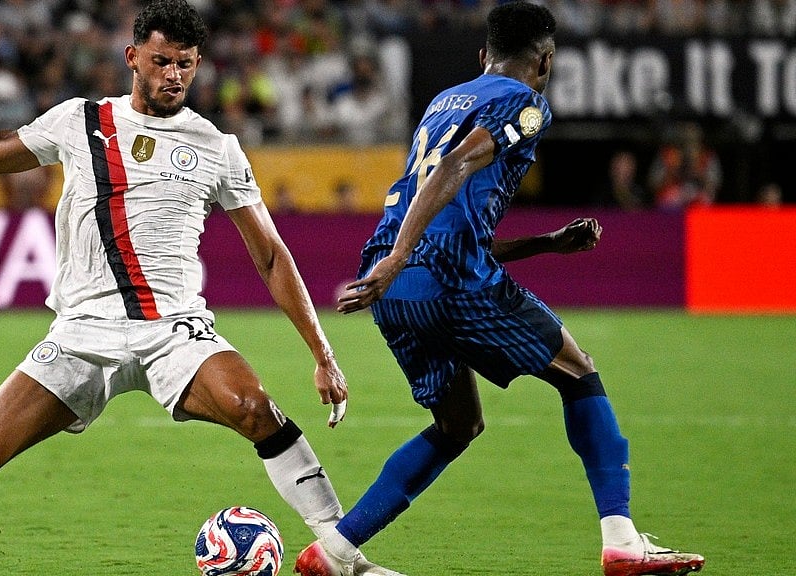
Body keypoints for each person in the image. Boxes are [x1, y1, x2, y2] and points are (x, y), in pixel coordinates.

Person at [0, 2, 401, 575]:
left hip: (174, 332)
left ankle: (345, 560)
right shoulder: (80, 122)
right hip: (80, 334)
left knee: (256, 409)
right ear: (133, 58)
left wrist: (322, 353)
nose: (174, 75)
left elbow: (270, 254)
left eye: (187, 65)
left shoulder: (216, 146)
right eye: (162, 61)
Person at [294, 3, 705, 576]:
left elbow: (450, 213)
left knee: (457, 424)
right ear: (546, 61)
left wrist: (544, 243)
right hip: (435, 273)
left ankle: (333, 554)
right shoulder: (524, 103)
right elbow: (455, 168)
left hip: (395, 288)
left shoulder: (443, 101)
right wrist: (399, 258)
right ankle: (622, 541)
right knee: (579, 373)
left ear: (482, 56)